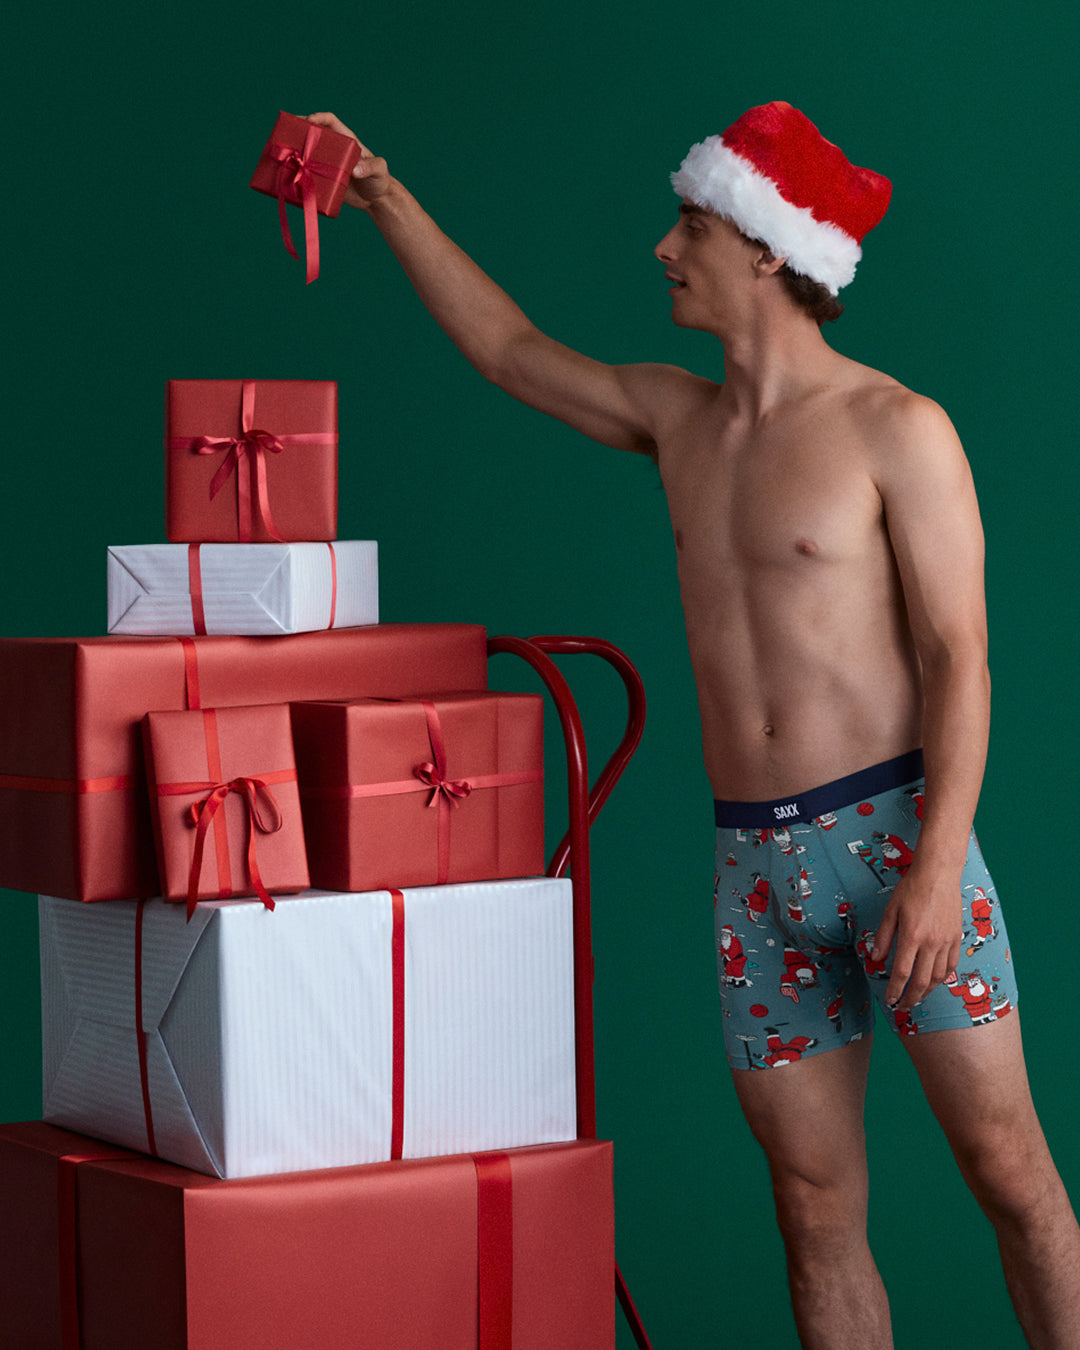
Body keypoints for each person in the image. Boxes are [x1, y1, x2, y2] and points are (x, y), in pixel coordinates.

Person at [304, 101, 1080, 1348]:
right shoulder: (678, 420)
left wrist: (939, 870)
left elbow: (960, 657)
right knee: (812, 1205)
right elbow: (508, 350)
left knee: (1008, 1174)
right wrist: (385, 197)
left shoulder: (898, 428)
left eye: (691, 225)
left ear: (767, 249)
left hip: (899, 840)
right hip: (753, 866)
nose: (665, 250)